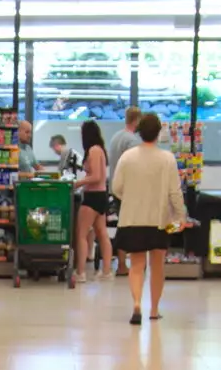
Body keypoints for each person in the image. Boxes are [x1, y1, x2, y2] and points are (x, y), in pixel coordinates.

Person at [110, 112, 189, 325]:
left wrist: (131, 197)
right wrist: (181, 216)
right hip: (159, 219)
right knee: (157, 265)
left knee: (136, 264)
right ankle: (153, 309)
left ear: (139, 131)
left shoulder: (127, 157)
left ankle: (137, 303)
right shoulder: (167, 159)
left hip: (132, 218)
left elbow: (116, 187)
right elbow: (175, 191)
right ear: (158, 133)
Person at [73, 119, 113, 284]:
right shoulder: (100, 150)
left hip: (93, 197)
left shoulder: (94, 150)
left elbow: (96, 176)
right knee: (102, 233)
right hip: (101, 195)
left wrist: (77, 183)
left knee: (81, 234)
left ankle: (81, 272)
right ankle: (106, 271)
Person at [106, 107, 143, 276]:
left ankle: (121, 262)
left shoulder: (115, 137)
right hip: (129, 190)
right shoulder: (132, 140)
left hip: (115, 187)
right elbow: (135, 167)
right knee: (130, 227)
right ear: (136, 120)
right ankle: (124, 264)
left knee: (123, 224)